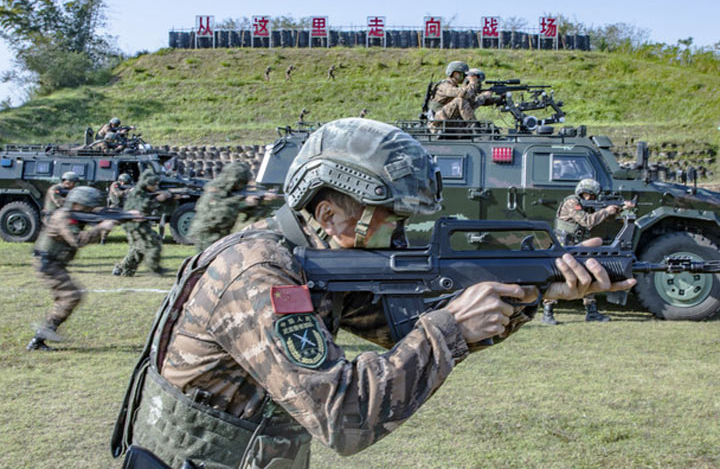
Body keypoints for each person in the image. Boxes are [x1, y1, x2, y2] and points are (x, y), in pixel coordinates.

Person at [112, 118, 635, 468]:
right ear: (329, 214)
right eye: (394, 216)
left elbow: (401, 326)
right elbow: (345, 418)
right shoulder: (260, 275)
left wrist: (538, 287)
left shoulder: (313, 262)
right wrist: (452, 327)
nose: (403, 233)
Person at [27, 187, 119, 351]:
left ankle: (41, 336)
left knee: (69, 297)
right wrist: (101, 228)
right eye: (87, 207)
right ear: (77, 204)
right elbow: (77, 240)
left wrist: (127, 215)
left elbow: (98, 212)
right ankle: (40, 337)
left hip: (53, 262)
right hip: (47, 263)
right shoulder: (63, 217)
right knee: (70, 296)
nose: (90, 210)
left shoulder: (74, 213)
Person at [541, 178, 636, 324]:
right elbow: (587, 221)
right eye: (591, 195)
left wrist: (620, 208)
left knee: (589, 274)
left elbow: (604, 218)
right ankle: (547, 313)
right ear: (585, 192)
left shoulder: (585, 205)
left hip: (578, 244)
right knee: (559, 276)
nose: (593, 198)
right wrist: (606, 210)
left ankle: (591, 311)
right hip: (564, 244)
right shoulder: (572, 202)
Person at [187, 161, 276, 252]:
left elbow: (251, 216)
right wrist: (244, 203)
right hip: (207, 235)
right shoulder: (215, 191)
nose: (240, 186)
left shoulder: (232, 194)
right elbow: (218, 214)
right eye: (239, 183)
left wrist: (263, 202)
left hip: (221, 234)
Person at [112, 170, 178, 277]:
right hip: (133, 224)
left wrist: (171, 199)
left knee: (139, 248)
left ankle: (123, 269)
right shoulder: (136, 193)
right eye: (154, 184)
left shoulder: (145, 192)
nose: (156, 187)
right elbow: (141, 207)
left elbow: (162, 209)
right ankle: (152, 268)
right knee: (148, 245)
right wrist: (157, 199)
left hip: (140, 223)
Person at [428, 61, 491, 132]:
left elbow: (471, 103)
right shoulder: (444, 86)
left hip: (447, 119)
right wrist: (472, 83)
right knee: (460, 100)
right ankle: (474, 127)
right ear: (455, 74)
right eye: (462, 74)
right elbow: (462, 94)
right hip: (438, 122)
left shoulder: (454, 86)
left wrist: (490, 98)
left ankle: (474, 127)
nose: (465, 77)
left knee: (465, 101)